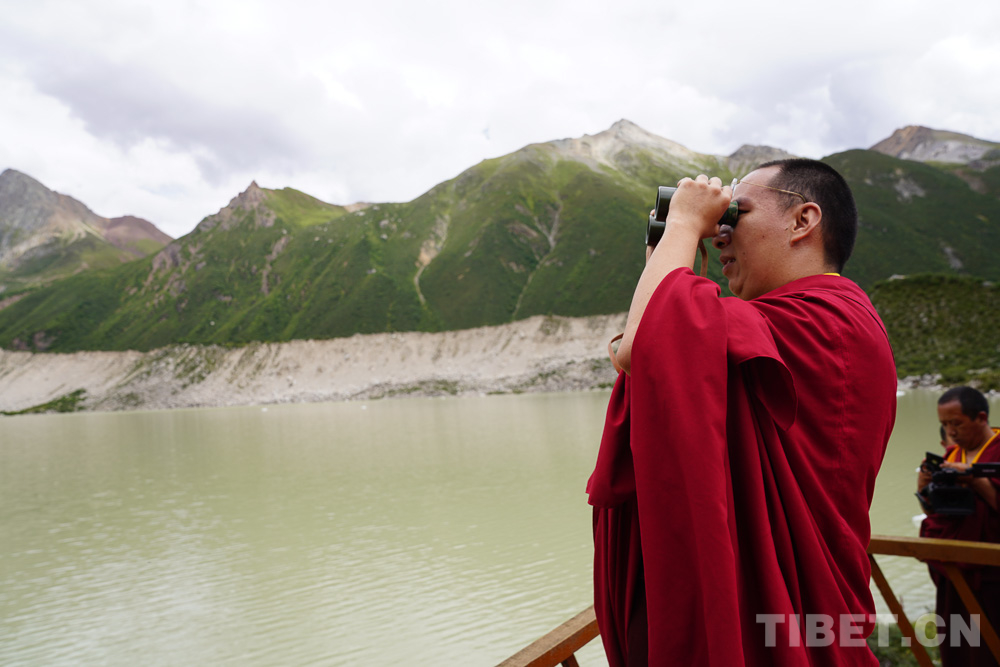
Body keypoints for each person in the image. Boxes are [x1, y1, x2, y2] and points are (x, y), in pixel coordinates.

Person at [587, 159, 898, 665]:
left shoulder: (825, 320)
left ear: (803, 220)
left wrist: (684, 223)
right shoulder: (810, 318)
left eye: (737, 213)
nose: (719, 235)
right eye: (718, 221)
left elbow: (640, 348)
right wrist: (669, 255)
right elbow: (656, 350)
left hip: (783, 614)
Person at [918, 386, 1000, 667]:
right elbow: (936, 514)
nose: (951, 432)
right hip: (954, 569)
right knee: (958, 645)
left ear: (981, 418)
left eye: (957, 423)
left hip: (992, 570)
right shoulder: (951, 456)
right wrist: (924, 489)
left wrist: (975, 480)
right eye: (945, 424)